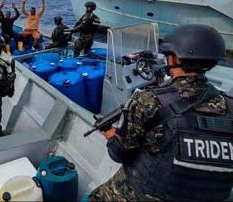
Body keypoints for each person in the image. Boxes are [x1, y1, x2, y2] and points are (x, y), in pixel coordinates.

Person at [89, 24, 233, 202]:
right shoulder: (230, 106)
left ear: (172, 59)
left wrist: (111, 134)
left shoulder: (148, 100)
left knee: (95, 197)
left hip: (152, 194)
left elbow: (120, 154)